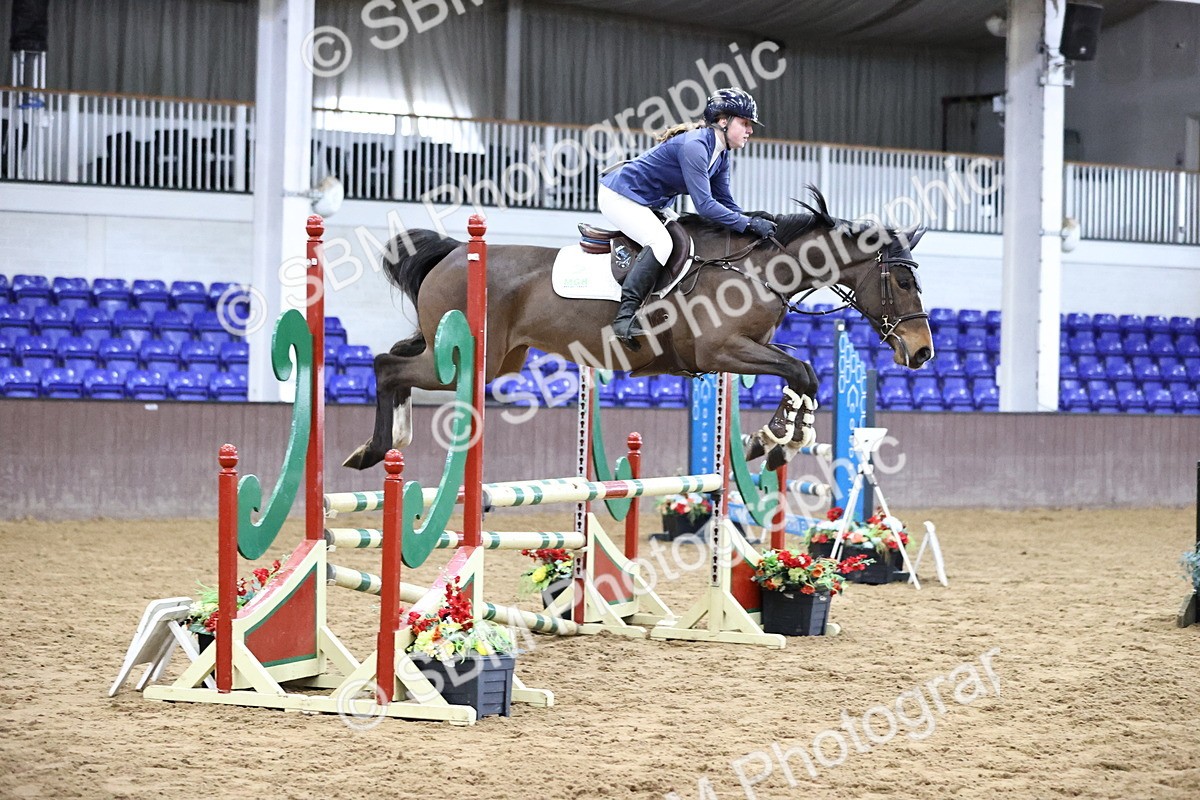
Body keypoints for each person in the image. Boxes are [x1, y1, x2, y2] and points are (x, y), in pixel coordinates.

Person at [598, 87, 777, 350]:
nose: (750, 130)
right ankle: (624, 317)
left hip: (650, 204)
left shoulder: (721, 153)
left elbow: (725, 202)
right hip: (620, 196)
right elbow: (704, 206)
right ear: (723, 121)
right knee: (661, 243)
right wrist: (747, 223)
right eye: (745, 122)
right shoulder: (695, 146)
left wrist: (749, 219)